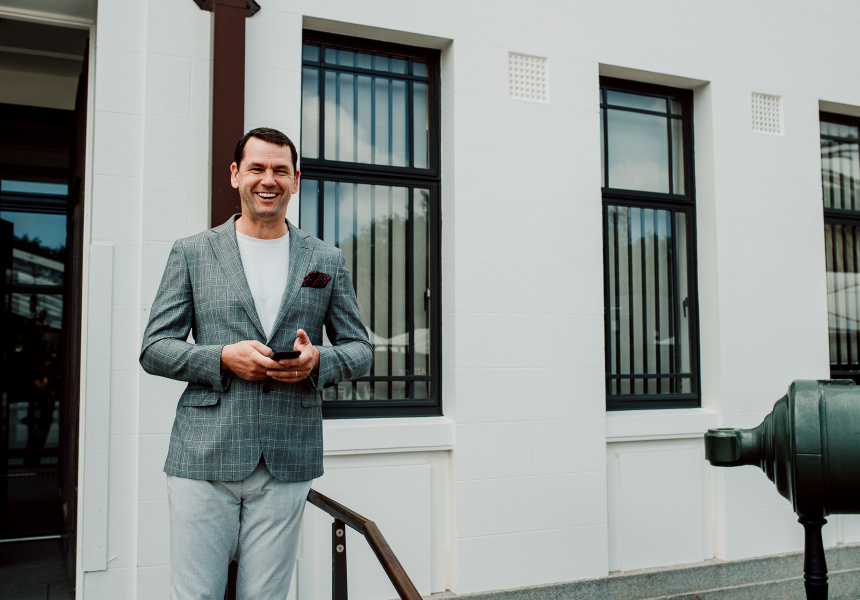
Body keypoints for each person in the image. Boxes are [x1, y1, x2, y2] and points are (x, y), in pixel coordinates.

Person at [139, 127, 372, 599]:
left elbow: (360, 349)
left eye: (280, 170)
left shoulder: (325, 259)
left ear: (296, 180)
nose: (269, 179)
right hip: (203, 456)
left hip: (288, 455)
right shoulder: (192, 252)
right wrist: (223, 357)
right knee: (196, 595)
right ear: (235, 175)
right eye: (257, 168)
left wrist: (317, 360)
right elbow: (155, 347)